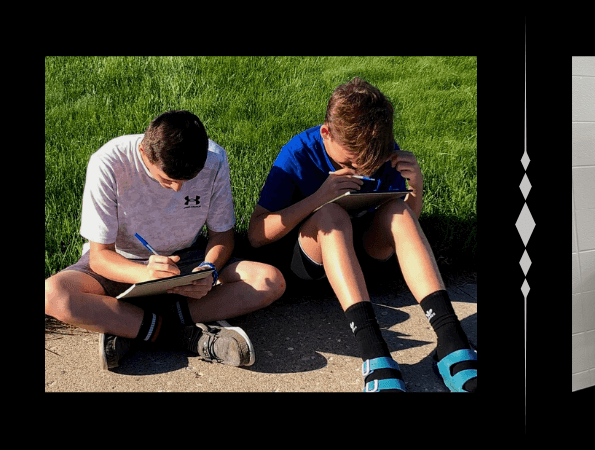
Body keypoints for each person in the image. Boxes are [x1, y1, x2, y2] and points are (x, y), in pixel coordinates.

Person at [248, 77, 477, 392]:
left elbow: (406, 227)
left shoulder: (378, 149)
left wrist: (416, 185)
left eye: (371, 165)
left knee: (397, 211)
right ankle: (375, 353)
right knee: (331, 213)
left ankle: (451, 341)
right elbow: (257, 235)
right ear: (326, 132)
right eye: (349, 163)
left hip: (368, 261)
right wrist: (318, 198)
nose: (360, 170)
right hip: (312, 267)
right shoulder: (298, 154)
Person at [45, 110, 287, 370]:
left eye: (187, 181)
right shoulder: (109, 161)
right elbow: (100, 256)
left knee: (269, 281)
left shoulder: (215, 160)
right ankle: (182, 335)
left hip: (186, 259)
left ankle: (130, 325)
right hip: (121, 263)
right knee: (52, 295)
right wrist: (145, 274)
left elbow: (222, 236)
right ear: (142, 152)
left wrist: (209, 269)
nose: (177, 189)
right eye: (166, 180)